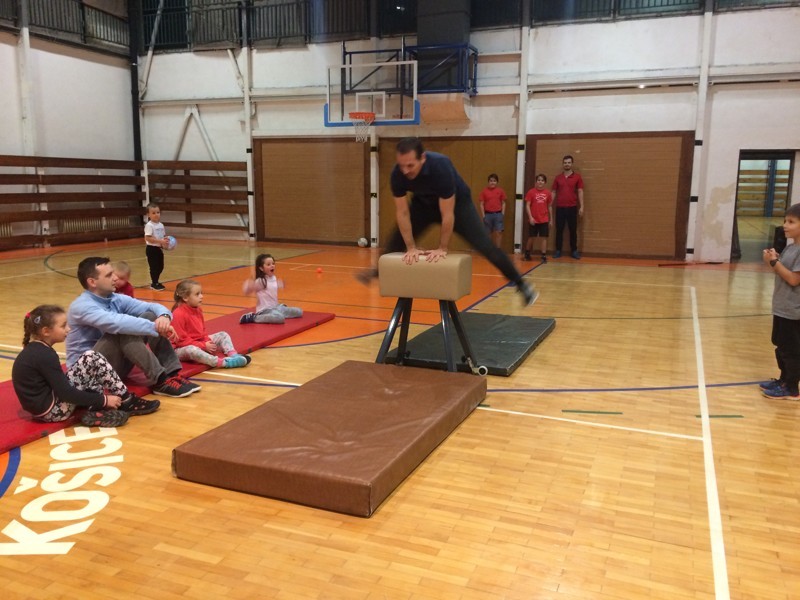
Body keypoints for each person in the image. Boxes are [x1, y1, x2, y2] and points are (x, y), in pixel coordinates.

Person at [357, 138, 537, 306]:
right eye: (402, 165)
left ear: (422, 158)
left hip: (458, 205)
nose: (405, 171)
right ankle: (378, 270)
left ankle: (522, 285)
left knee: (485, 246)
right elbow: (402, 213)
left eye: (410, 165)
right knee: (396, 240)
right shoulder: (397, 173)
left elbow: (447, 214)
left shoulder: (440, 166)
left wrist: (442, 248)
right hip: (422, 205)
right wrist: (411, 247)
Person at [66, 256, 199, 398]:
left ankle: (172, 374)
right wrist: (155, 327)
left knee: (150, 315)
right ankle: (160, 380)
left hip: (112, 368)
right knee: (124, 329)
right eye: (109, 275)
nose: (115, 278)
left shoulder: (114, 298)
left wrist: (164, 317)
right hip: (88, 375)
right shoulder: (82, 306)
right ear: (92, 282)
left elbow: (151, 307)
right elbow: (117, 323)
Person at [12, 305, 160, 429]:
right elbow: (66, 393)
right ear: (46, 331)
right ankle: (126, 401)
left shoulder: (35, 349)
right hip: (54, 412)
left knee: (89, 370)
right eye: (63, 326)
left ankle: (93, 408)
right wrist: (103, 400)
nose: (68, 329)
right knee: (91, 358)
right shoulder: (45, 355)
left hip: (43, 409)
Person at [760, 203, 800, 400]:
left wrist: (774, 263)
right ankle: (783, 380)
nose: (785, 225)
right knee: (781, 345)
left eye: (791, 222)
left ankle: (791, 388)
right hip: (782, 307)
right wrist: (773, 260)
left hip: (793, 311)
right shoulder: (791, 247)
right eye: (785, 221)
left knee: (791, 350)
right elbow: (782, 271)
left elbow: (793, 279)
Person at [172, 279, 251, 368]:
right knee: (192, 350)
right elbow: (181, 341)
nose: (201, 296)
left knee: (223, 335)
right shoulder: (178, 314)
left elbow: (202, 331)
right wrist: (203, 345)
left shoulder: (198, 309)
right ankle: (223, 363)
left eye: (201, 293)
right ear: (185, 298)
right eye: (197, 294)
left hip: (198, 342)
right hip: (181, 348)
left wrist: (207, 341)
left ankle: (233, 355)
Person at [239, 253, 304, 324]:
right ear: (261, 268)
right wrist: (249, 285)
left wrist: (279, 284)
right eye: (268, 264)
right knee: (279, 318)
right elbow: (247, 291)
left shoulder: (273, 278)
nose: (272, 266)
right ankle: (254, 317)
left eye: (273, 263)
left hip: (276, 307)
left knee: (299, 311)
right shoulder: (261, 281)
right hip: (265, 310)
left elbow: (271, 287)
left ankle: (277, 312)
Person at [551, 155, 585, 260]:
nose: (567, 164)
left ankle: (574, 251)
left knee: (573, 230)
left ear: (572, 164)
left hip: (572, 208)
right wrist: (549, 205)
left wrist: (582, 206)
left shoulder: (577, 177)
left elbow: (580, 191)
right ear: (563, 164)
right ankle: (558, 250)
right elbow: (553, 192)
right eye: (565, 163)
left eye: (569, 162)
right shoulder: (558, 178)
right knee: (559, 230)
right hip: (560, 208)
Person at [524, 174, 553, 262]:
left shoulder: (548, 193)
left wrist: (551, 219)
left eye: (542, 180)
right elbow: (527, 205)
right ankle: (527, 253)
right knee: (531, 237)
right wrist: (530, 217)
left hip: (544, 219)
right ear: (536, 182)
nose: (540, 182)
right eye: (538, 180)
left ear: (545, 182)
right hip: (534, 219)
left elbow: (549, 206)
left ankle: (543, 255)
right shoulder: (531, 192)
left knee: (544, 237)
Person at [144, 202, 169, 291]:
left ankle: (156, 281)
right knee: (154, 267)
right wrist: (160, 241)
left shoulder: (161, 225)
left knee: (160, 266)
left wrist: (166, 240)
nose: (156, 215)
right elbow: (148, 238)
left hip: (158, 249)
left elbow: (163, 236)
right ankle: (154, 283)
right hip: (151, 249)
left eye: (158, 212)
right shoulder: (149, 225)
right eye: (153, 213)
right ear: (148, 215)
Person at [479, 173, 507, 249]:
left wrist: (502, 214)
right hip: (488, 214)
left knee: (499, 232)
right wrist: (483, 216)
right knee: (487, 233)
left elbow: (503, 203)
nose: (492, 182)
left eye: (494, 181)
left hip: (498, 214)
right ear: (488, 182)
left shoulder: (500, 191)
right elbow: (481, 204)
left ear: (497, 182)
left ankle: (498, 250)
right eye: (491, 181)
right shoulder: (484, 191)